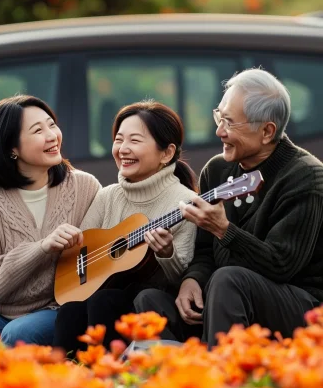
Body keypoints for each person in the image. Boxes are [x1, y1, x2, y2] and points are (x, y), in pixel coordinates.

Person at [135, 68, 323, 348]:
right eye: (219, 117)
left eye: (230, 123)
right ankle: (178, 382)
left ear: (267, 131)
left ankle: (222, 382)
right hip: (227, 295)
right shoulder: (218, 169)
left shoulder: (307, 178)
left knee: (228, 279)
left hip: (303, 306)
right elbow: (204, 250)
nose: (219, 131)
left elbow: (281, 265)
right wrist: (193, 280)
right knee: (149, 300)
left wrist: (224, 230)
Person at [0, 95, 101, 347]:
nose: (52, 136)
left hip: (59, 307)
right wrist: (42, 248)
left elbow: (101, 250)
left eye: (51, 125)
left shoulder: (84, 186)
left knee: (20, 334)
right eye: (38, 130)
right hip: (2, 311)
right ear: (11, 149)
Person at [53, 100, 197, 353]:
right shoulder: (108, 196)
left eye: (135, 141)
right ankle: (65, 382)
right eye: (119, 140)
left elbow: (183, 279)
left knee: (104, 301)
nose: (123, 149)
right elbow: (82, 250)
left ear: (167, 153)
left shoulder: (184, 203)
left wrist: (166, 254)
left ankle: (110, 380)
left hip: (152, 306)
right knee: (71, 309)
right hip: (106, 295)